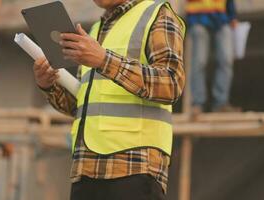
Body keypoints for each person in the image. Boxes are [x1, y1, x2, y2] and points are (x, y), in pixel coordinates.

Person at [33, 0, 185, 199]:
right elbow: (83, 106)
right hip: (85, 169)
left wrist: (104, 60)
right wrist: (48, 85)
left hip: (134, 167)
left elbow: (171, 83)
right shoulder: (95, 30)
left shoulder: (156, 13)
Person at [186, 0, 237, 113]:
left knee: (226, 60)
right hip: (198, 18)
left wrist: (232, 15)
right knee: (199, 62)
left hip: (222, 19)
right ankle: (198, 103)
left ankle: (221, 103)